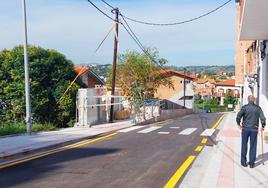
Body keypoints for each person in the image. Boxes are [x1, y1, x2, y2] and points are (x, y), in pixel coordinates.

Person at [236, 95, 266, 168]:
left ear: (248, 100)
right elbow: (263, 118)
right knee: (253, 145)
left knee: (244, 145)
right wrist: (263, 126)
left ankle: (243, 162)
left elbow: (238, 116)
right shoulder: (258, 108)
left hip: (245, 129)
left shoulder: (244, 108)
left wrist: (238, 123)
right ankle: (252, 163)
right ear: (254, 100)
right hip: (254, 129)